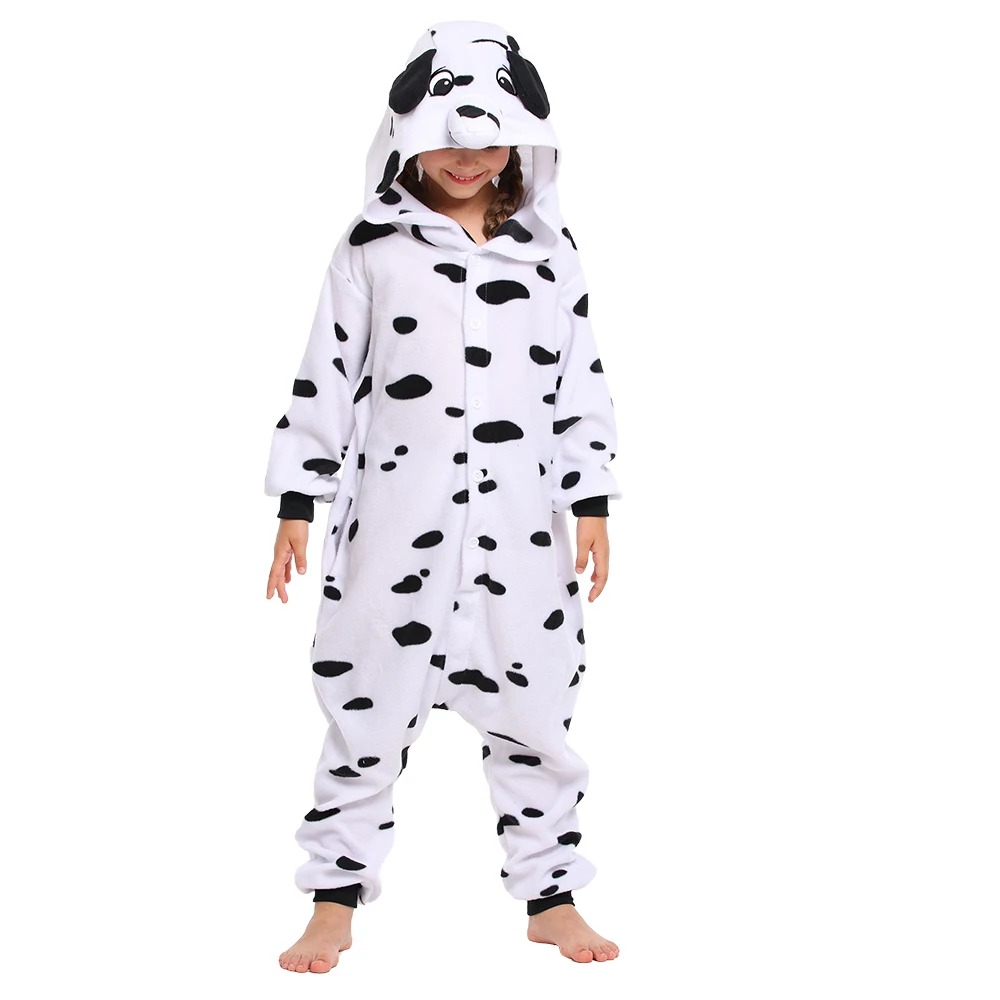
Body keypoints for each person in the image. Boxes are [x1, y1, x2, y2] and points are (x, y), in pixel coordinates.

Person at [265, 19, 623, 969]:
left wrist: (590, 498)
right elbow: (326, 375)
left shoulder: (548, 252)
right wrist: (297, 502)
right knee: (364, 710)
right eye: (447, 140)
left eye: (492, 142)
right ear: (407, 134)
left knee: (539, 717)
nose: (468, 159)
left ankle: (550, 896)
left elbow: (580, 381)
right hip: (394, 527)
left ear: (524, 140)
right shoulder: (371, 246)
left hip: (523, 533)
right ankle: (334, 900)